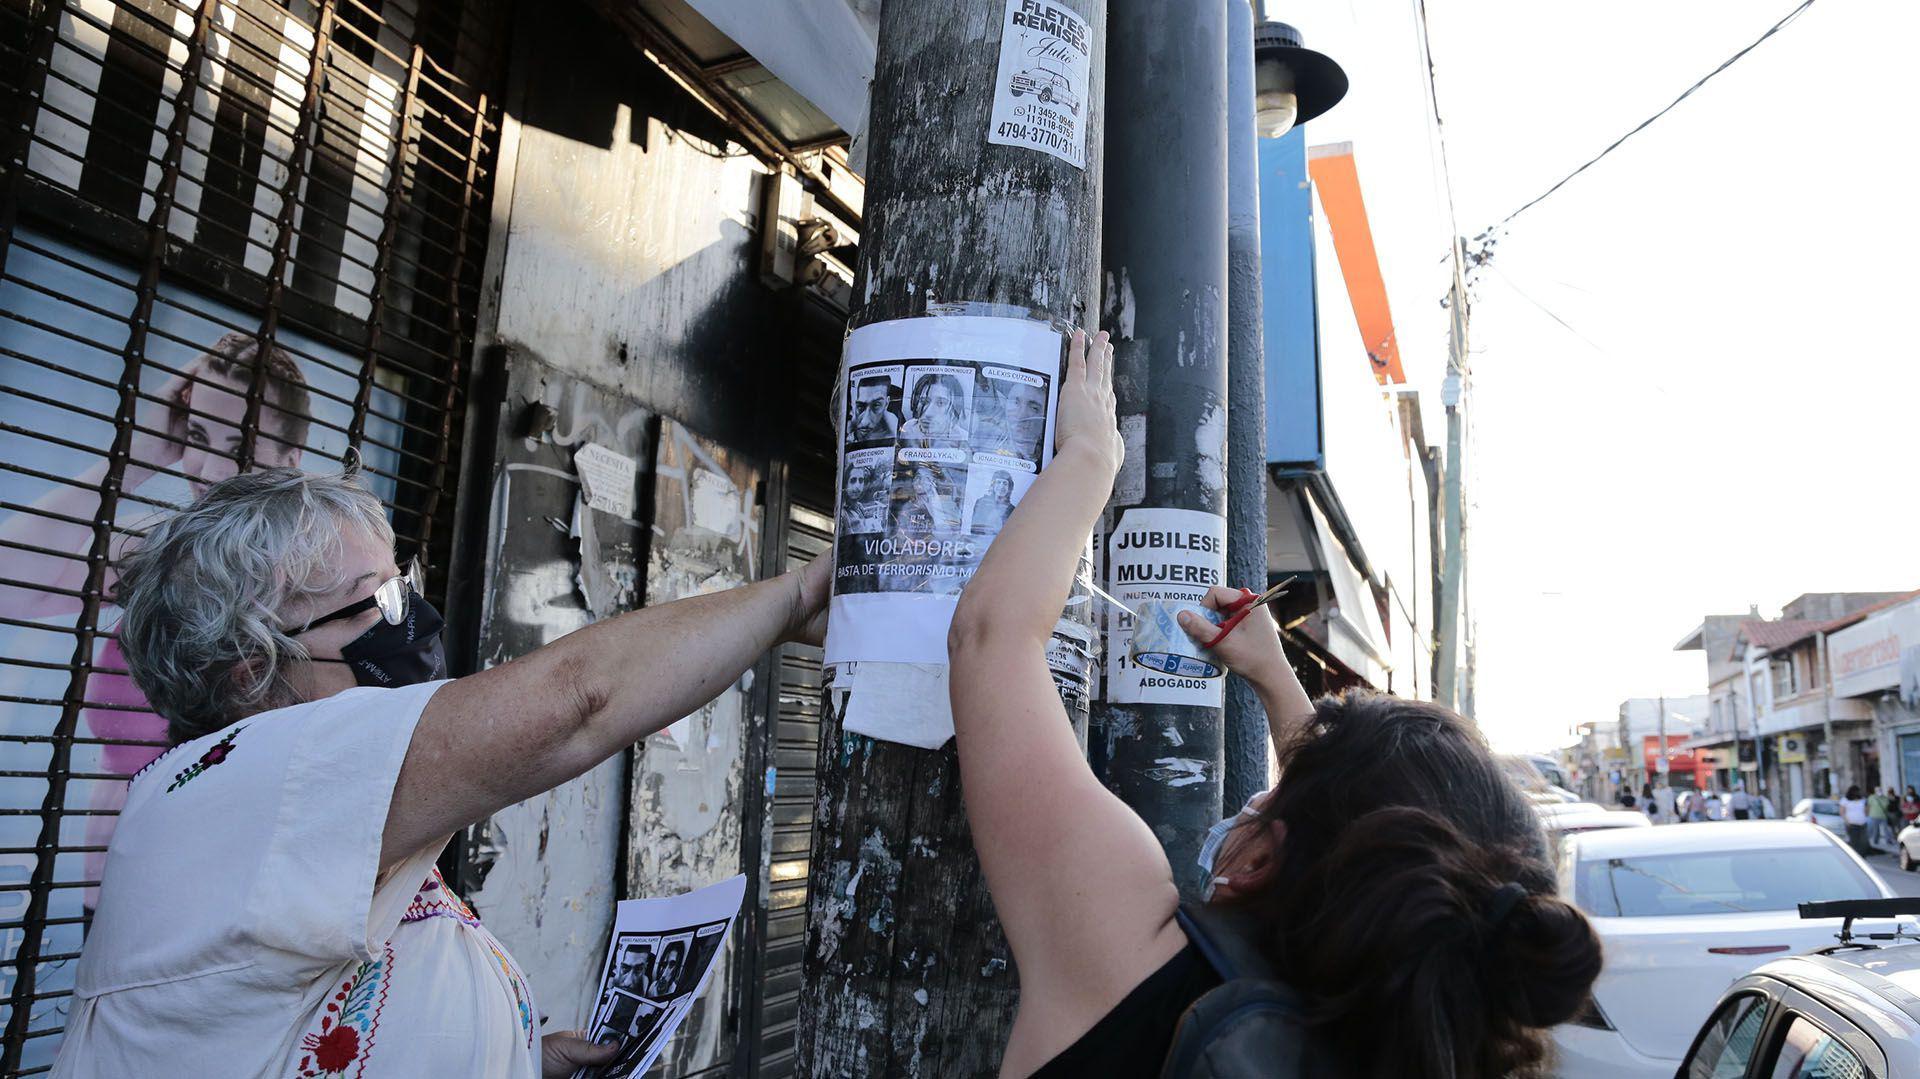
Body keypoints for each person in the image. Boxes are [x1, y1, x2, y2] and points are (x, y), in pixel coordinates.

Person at [944, 329, 1602, 1077]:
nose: (1252, 801)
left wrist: (1092, 457)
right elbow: (1351, 829)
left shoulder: (1129, 954)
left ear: (1263, 856)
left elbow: (991, 638)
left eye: (1272, 795)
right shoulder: (1443, 1043)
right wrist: (1271, 675)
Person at [52, 465, 830, 1077]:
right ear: (253, 672)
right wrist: (795, 597)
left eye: (404, 585)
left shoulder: (302, 810)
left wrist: (518, 1058)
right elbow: (577, 701)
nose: (411, 621)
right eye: (371, 604)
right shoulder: (244, 785)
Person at [0, 332, 312, 915]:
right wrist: (140, 454)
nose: (212, 467)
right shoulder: (161, 560)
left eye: (238, 443)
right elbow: (7, 578)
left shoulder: (314, 587)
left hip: (222, 907)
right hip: (111, 902)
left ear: (289, 462)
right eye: (197, 438)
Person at [899, 371, 968, 442]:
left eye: (940, 403)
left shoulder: (962, 438)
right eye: (924, 402)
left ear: (954, 409)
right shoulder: (908, 429)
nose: (928, 413)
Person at [848, 374, 899, 443]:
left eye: (876, 405)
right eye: (861, 406)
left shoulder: (893, 426)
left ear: (887, 403)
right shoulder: (850, 422)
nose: (864, 421)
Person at [969, 470, 1016, 534]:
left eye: (1005, 483)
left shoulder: (1012, 509)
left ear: (1009, 487)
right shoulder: (981, 502)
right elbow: (974, 529)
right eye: (998, 482)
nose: (1001, 486)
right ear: (993, 485)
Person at [1841, 785, 1872, 856]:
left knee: (1863, 843)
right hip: (1852, 825)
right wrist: (1847, 822)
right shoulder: (1845, 800)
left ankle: (1862, 857)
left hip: (1862, 824)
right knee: (1854, 843)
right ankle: (1855, 857)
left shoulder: (1863, 800)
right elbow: (1842, 812)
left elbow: (1866, 812)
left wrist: (1868, 807)